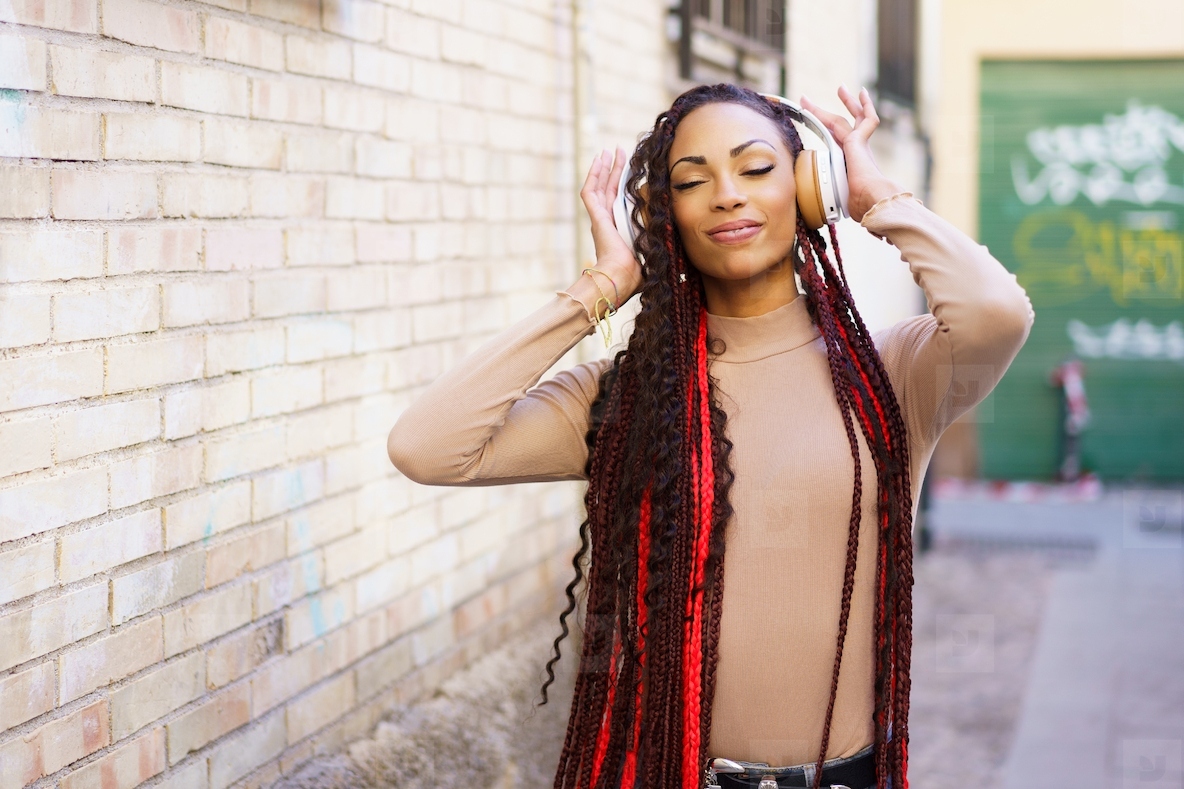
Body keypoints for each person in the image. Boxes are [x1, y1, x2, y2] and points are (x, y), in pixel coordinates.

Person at [387, 83, 1034, 789]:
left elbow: (995, 312)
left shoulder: (893, 375)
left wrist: (876, 195)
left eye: (756, 168)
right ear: (668, 219)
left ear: (809, 188)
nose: (727, 195)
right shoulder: (625, 399)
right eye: (692, 181)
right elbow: (428, 444)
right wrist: (599, 287)